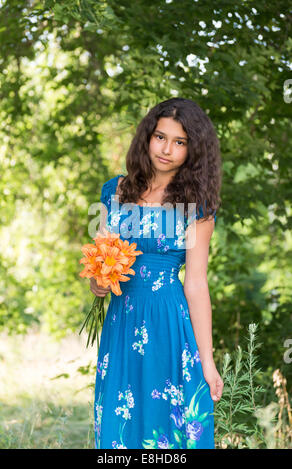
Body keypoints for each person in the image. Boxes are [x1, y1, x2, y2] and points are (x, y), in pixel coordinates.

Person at [91, 97, 223, 449]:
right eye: (160, 137)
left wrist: (207, 360)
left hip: (169, 322)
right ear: (147, 137)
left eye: (180, 142)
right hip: (123, 322)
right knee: (122, 424)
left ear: (193, 150)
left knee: (173, 425)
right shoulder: (115, 192)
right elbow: (100, 261)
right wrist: (98, 281)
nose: (167, 149)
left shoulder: (198, 205)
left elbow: (195, 282)